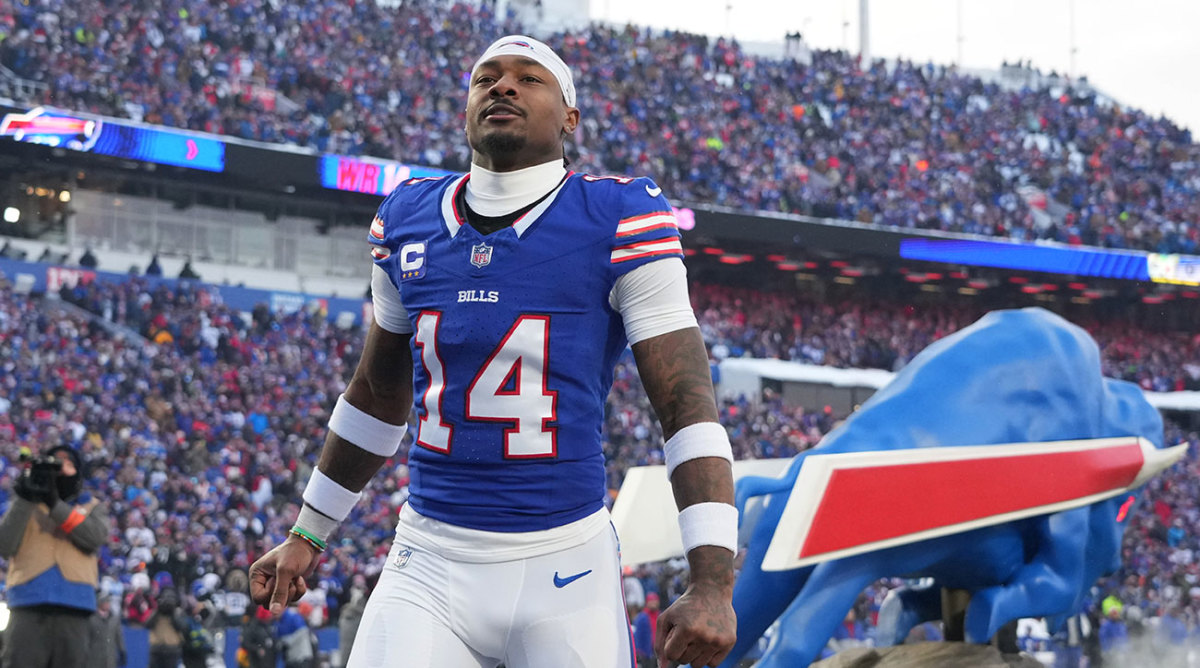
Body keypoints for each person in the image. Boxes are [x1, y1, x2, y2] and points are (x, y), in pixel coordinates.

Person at [250, 34, 738, 668]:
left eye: (529, 78)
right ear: (465, 110)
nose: (503, 86)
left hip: (565, 563)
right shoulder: (407, 219)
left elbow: (686, 404)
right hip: (428, 559)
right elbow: (377, 393)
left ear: (570, 118)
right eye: (487, 78)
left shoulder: (619, 215)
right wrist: (307, 531)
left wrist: (712, 582)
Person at [0, 445, 111, 668]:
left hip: (74, 604)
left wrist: (54, 505)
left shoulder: (92, 506)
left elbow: (94, 538)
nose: (58, 471)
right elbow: (5, 545)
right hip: (28, 601)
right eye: (53, 464)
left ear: (77, 472)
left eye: (65, 465)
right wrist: (24, 497)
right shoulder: (25, 504)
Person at [86, 596, 127, 668]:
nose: (107, 604)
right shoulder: (92, 619)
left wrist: (122, 650)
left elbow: (118, 637)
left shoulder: (114, 620)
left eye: (108, 602)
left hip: (109, 658)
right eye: (105, 602)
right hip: (95, 657)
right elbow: (87, 638)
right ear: (100, 604)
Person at [633, 591, 662, 667]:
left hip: (658, 651)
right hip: (645, 653)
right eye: (651, 601)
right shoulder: (641, 617)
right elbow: (638, 635)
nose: (653, 603)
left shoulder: (661, 615)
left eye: (655, 601)